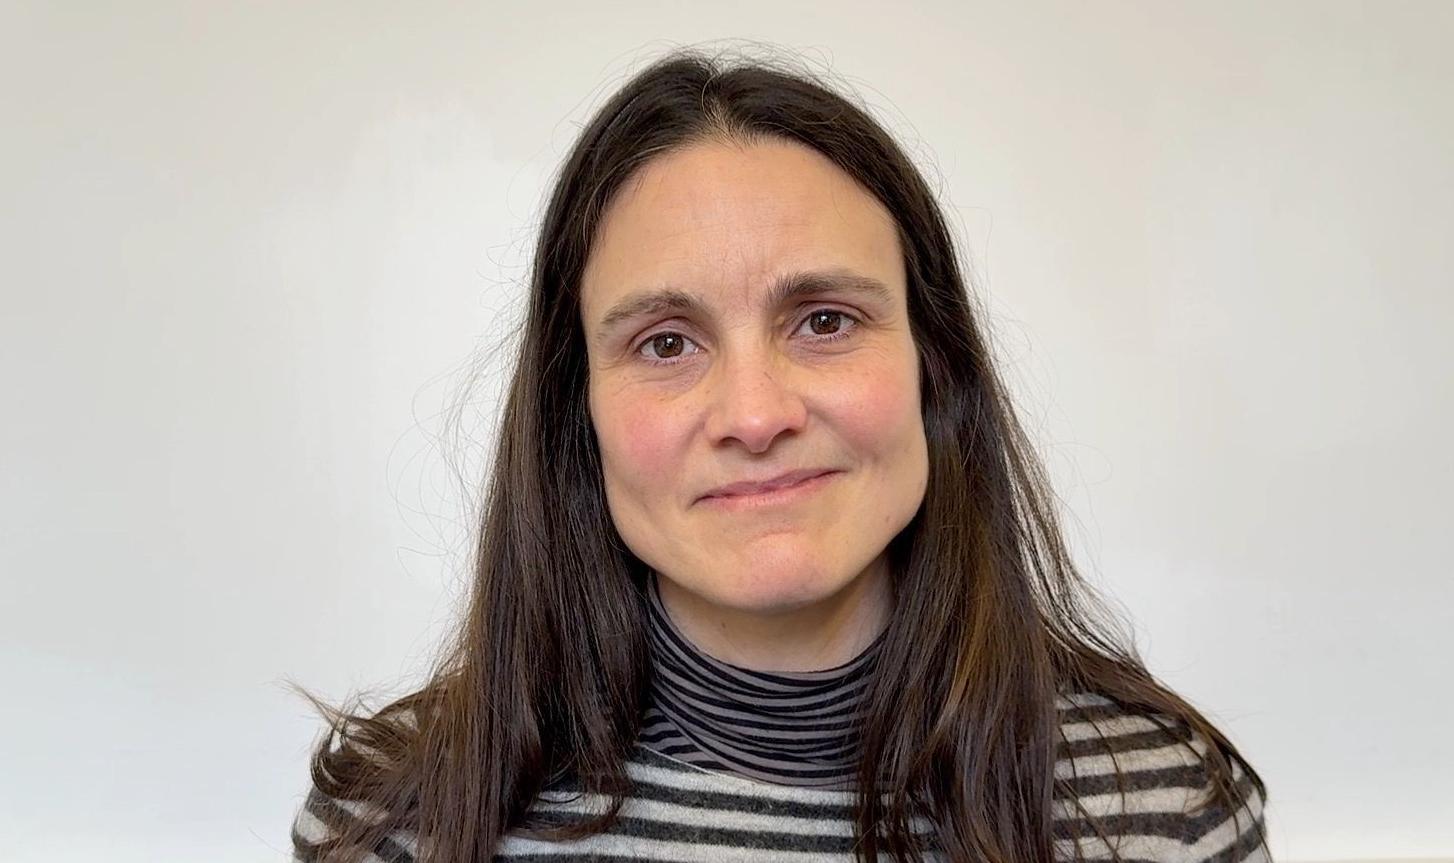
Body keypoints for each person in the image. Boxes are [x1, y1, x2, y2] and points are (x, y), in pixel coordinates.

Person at [288, 47, 1271, 863]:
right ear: (574, 410)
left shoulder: (1164, 807)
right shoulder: (396, 821)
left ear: (936, 367)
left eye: (826, 320)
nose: (755, 415)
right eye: (665, 342)